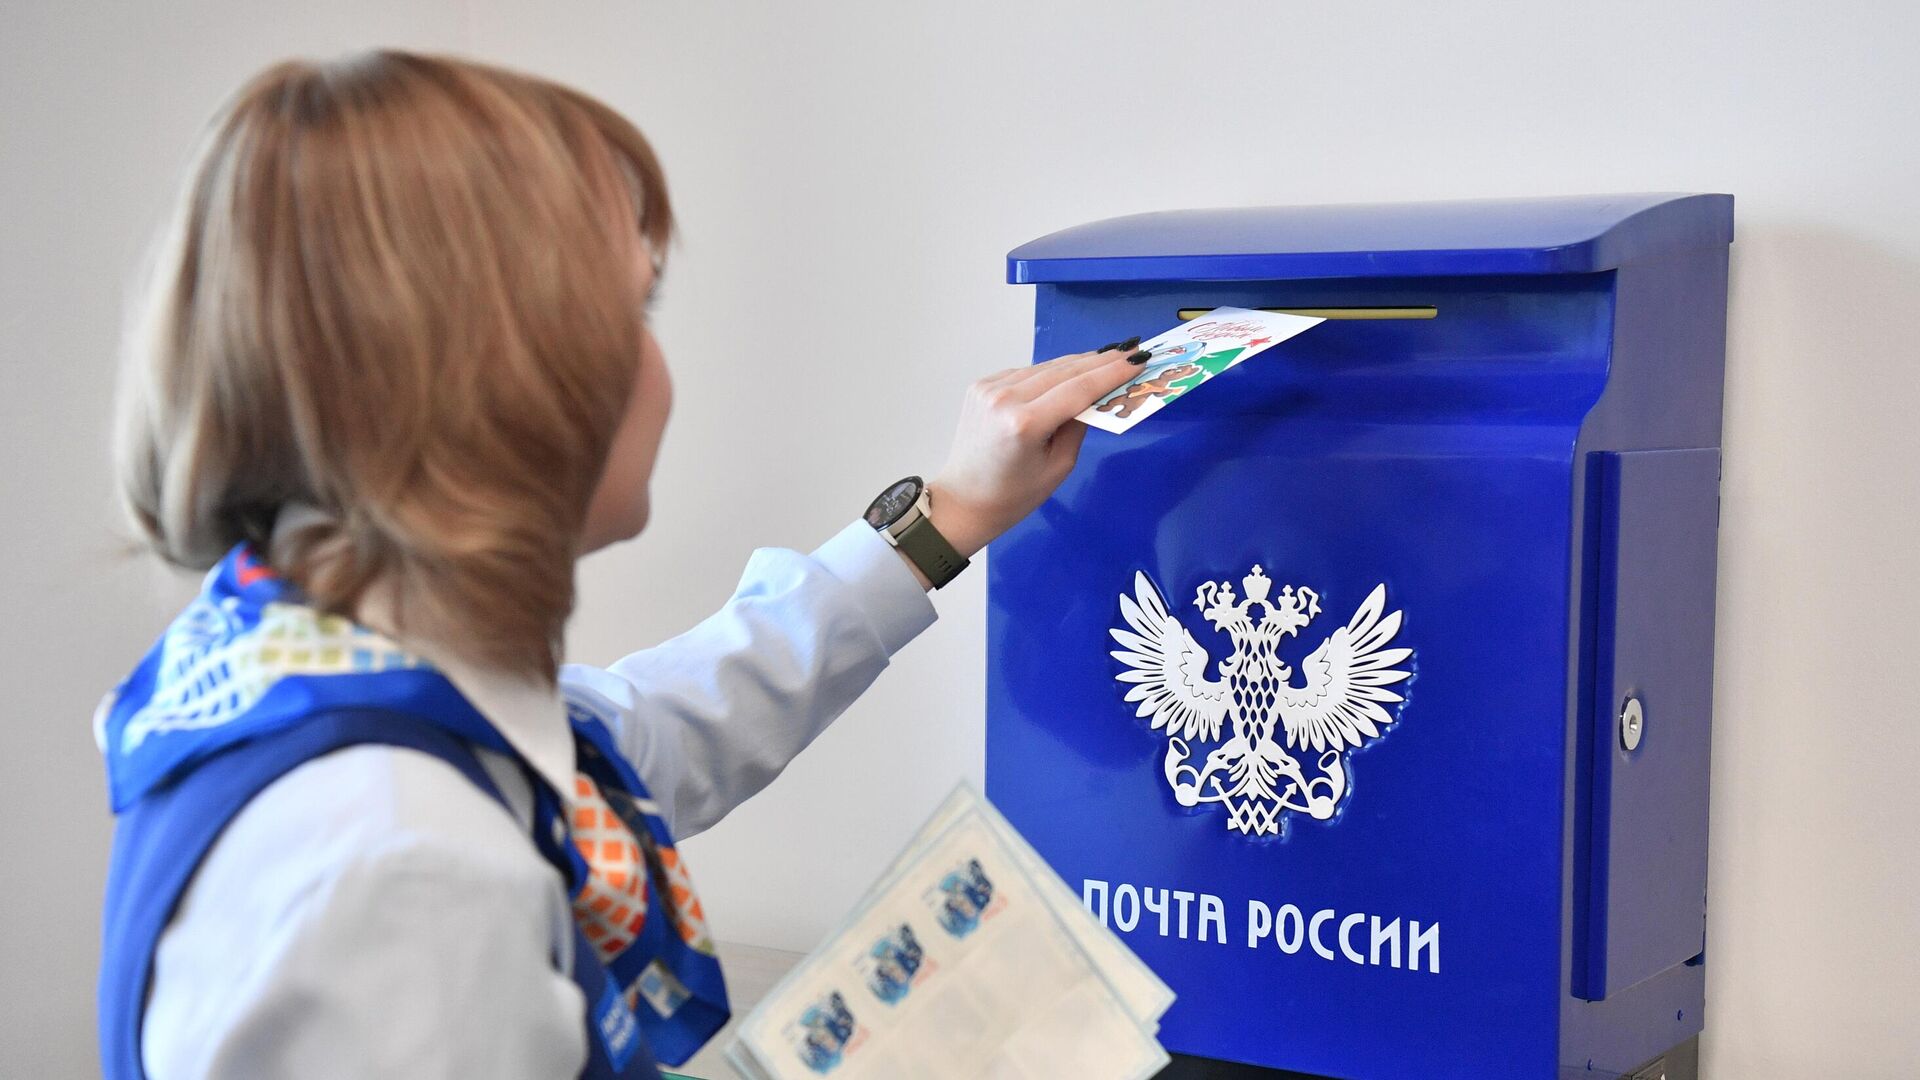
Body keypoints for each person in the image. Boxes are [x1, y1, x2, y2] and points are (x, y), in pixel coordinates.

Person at [93, 50, 1150, 1080]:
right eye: (633, 311)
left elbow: (644, 733)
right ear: (498, 375)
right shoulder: (401, 870)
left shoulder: (308, 679)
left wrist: (949, 512)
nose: (659, 362)